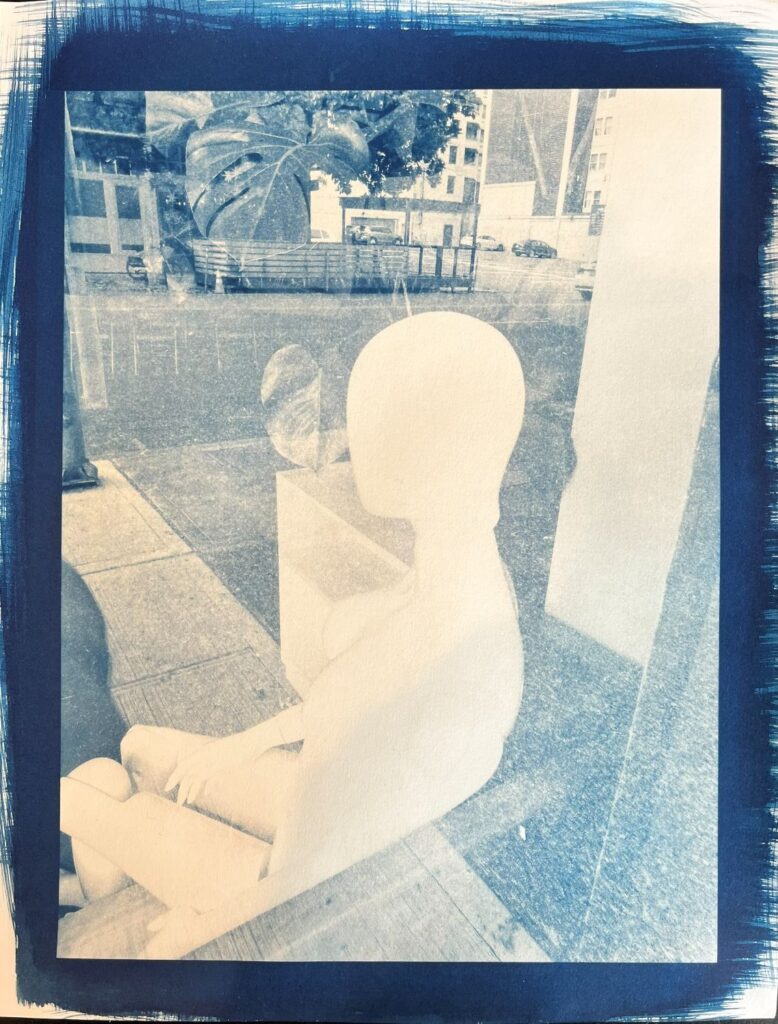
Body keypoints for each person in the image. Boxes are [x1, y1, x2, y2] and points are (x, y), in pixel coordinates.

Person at [60, 310, 526, 954]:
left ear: (441, 444)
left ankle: (99, 903)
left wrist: (216, 921)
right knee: (134, 749)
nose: (353, 433)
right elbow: (345, 706)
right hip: (308, 800)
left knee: (86, 792)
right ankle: (98, 893)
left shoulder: (456, 631)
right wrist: (241, 745)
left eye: (378, 415)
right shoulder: (452, 567)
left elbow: (346, 851)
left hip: (282, 872)